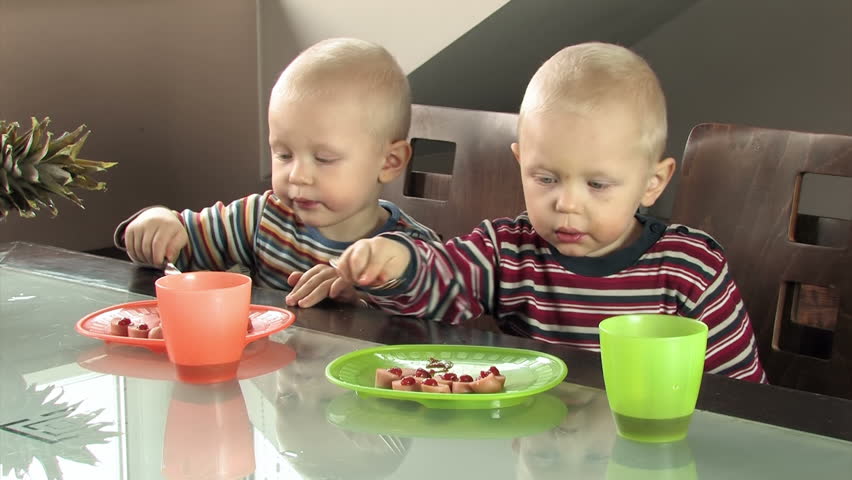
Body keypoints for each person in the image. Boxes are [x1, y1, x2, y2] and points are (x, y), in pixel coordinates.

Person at [332, 42, 766, 383]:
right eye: (545, 178)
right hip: (537, 446)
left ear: (652, 182)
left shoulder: (691, 269)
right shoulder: (508, 251)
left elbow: (740, 397)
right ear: (521, 162)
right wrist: (398, 263)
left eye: (597, 184)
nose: (567, 203)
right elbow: (440, 285)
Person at [113, 38, 438, 307]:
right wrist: (157, 223)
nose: (297, 175)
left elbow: (442, 336)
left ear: (389, 162)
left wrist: (364, 298)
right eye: (283, 154)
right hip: (270, 380)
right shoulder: (261, 217)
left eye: (324, 158)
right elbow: (184, 242)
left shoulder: (417, 252)